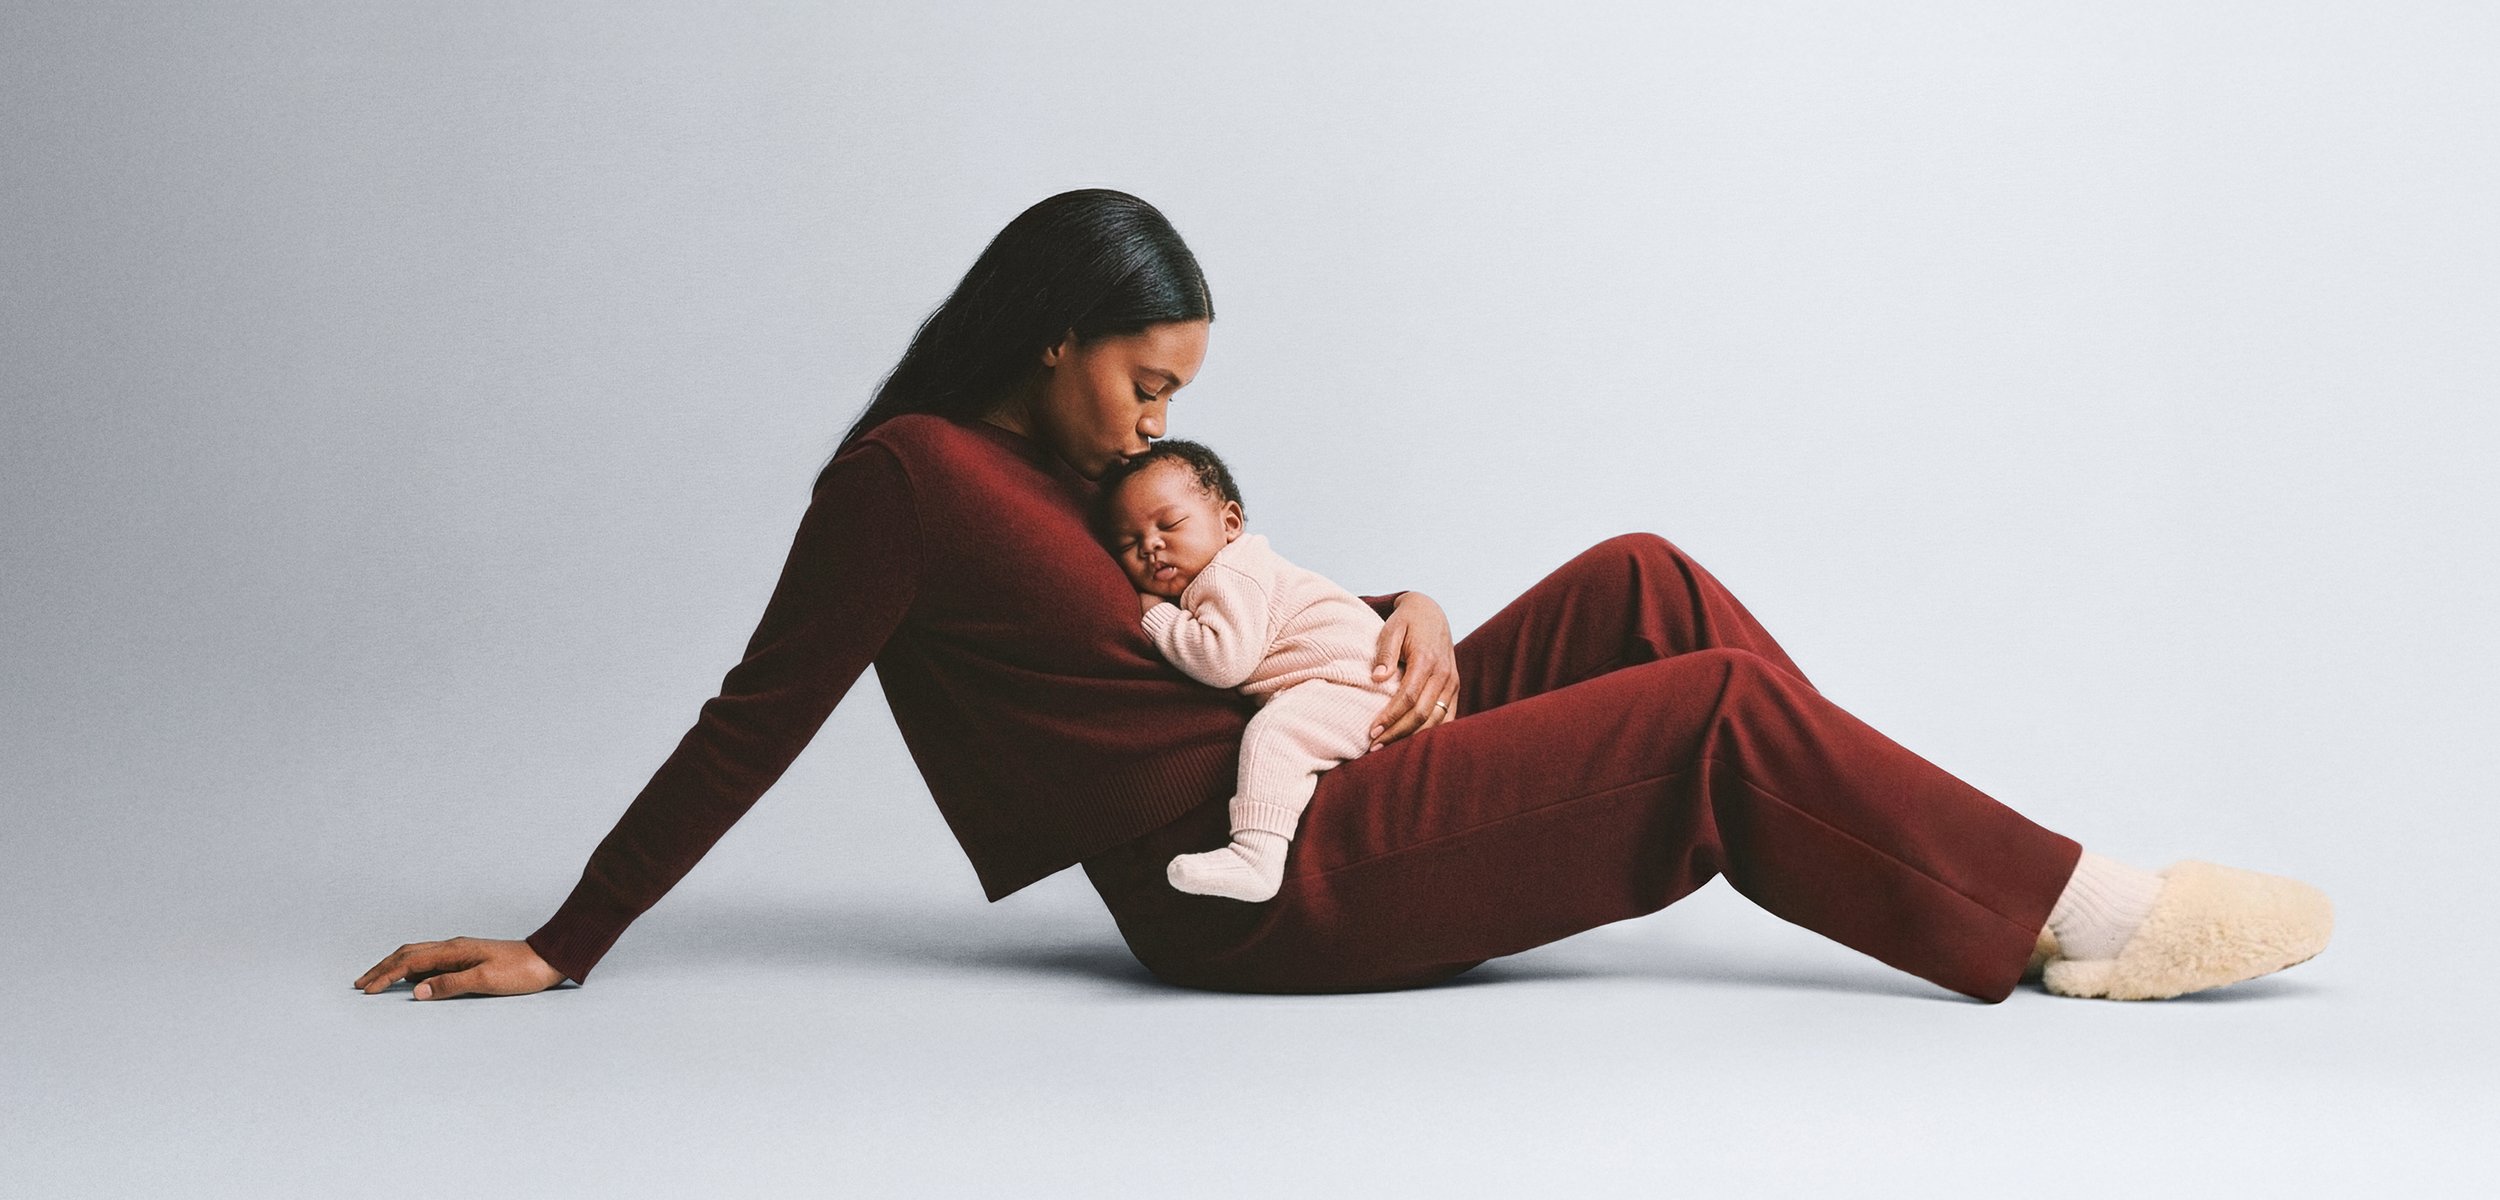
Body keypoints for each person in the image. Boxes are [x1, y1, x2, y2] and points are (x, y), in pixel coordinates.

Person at [355, 188, 2333, 1006]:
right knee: (1713, 716)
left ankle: (1916, 851)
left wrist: (1397, 606)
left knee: (1649, 581)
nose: (1160, 429)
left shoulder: (1055, 471)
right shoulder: (908, 484)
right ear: (1050, 342)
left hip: (1306, 756)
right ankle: (2074, 910)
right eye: (1147, 386)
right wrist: (572, 939)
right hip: (1254, 883)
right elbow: (755, 706)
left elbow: (1224, 595)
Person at [1095, 438, 1398, 903]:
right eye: (1129, 544)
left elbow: (1222, 662)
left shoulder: (1229, 574)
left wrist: (1157, 617)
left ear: (1229, 523)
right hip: (1350, 688)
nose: (1151, 546)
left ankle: (1255, 855)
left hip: (1357, 688)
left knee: (1277, 733)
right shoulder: (1228, 574)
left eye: (1169, 524)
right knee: (1286, 735)